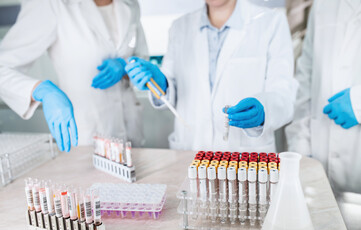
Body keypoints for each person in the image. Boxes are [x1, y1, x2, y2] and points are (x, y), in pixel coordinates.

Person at [125, 0, 297, 152]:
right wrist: (160, 83)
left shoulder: (271, 22)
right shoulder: (179, 28)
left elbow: (283, 92)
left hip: (246, 158)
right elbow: (171, 89)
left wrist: (264, 110)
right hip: (191, 150)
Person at [0, 0, 148, 152]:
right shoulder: (51, 4)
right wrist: (41, 91)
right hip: (87, 135)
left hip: (131, 127)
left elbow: (142, 58)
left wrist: (126, 66)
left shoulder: (130, 4)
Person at [285, 0, 361, 195]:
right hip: (320, 164)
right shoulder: (323, 4)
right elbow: (306, 77)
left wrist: (358, 102)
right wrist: (300, 148)